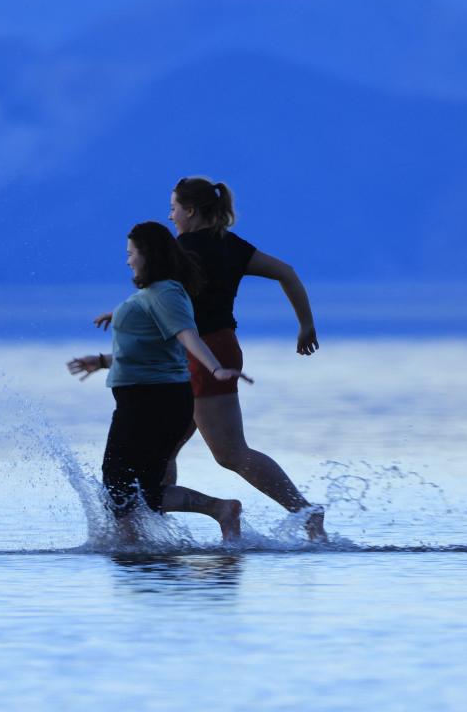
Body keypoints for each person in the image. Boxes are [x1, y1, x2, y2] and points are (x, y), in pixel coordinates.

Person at [98, 177, 327, 541]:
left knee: (230, 452)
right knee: (163, 449)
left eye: (173, 208)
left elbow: (157, 293)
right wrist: (306, 326)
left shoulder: (182, 249)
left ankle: (306, 512)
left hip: (201, 353)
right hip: (219, 346)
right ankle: (151, 536)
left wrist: (121, 312)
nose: (170, 215)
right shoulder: (230, 245)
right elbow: (287, 272)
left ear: (190, 210)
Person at [68, 221, 251, 543]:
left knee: (121, 485)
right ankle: (138, 543)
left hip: (153, 401)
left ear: (147, 255)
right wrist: (102, 361)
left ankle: (213, 512)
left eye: (131, 253)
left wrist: (215, 369)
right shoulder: (155, 293)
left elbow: (186, 336)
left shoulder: (166, 292)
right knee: (139, 487)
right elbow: (149, 347)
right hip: (147, 399)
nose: (128, 260)